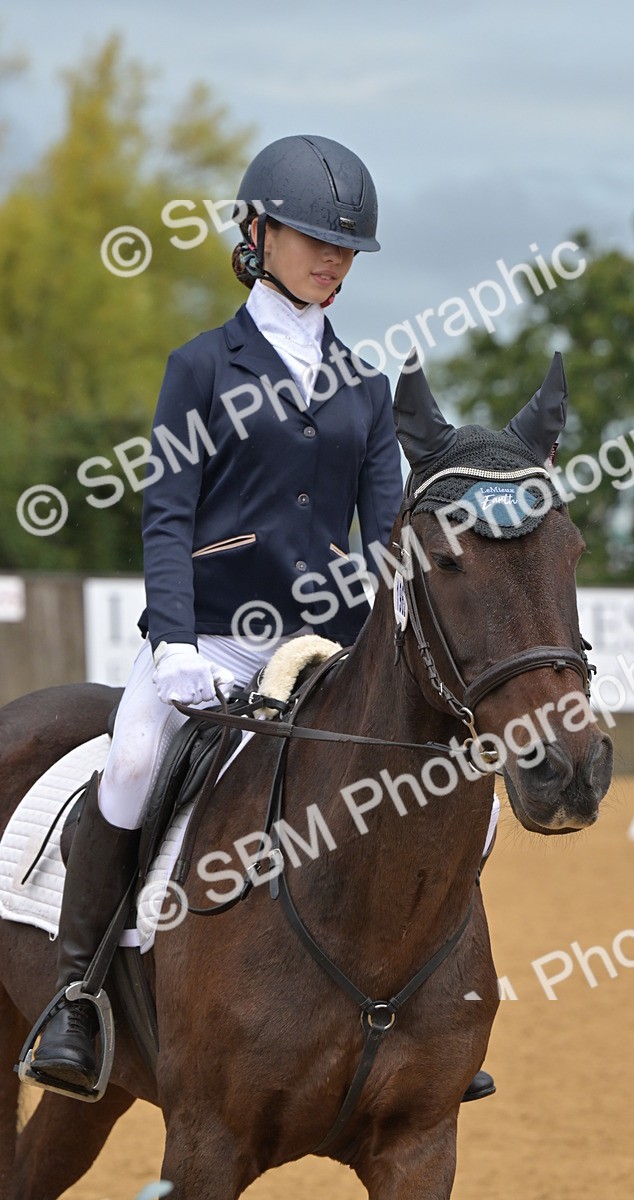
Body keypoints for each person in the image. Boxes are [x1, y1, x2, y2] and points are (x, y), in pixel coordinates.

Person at [29, 134, 405, 1089]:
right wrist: (175, 639)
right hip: (216, 646)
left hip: (327, 648)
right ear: (258, 232)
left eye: (346, 248)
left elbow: (388, 537)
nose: (332, 259)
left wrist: (392, 645)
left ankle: (414, 1001)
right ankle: (79, 995)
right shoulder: (203, 366)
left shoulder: (366, 386)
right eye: (314, 239)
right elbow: (169, 513)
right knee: (134, 758)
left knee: (430, 785)